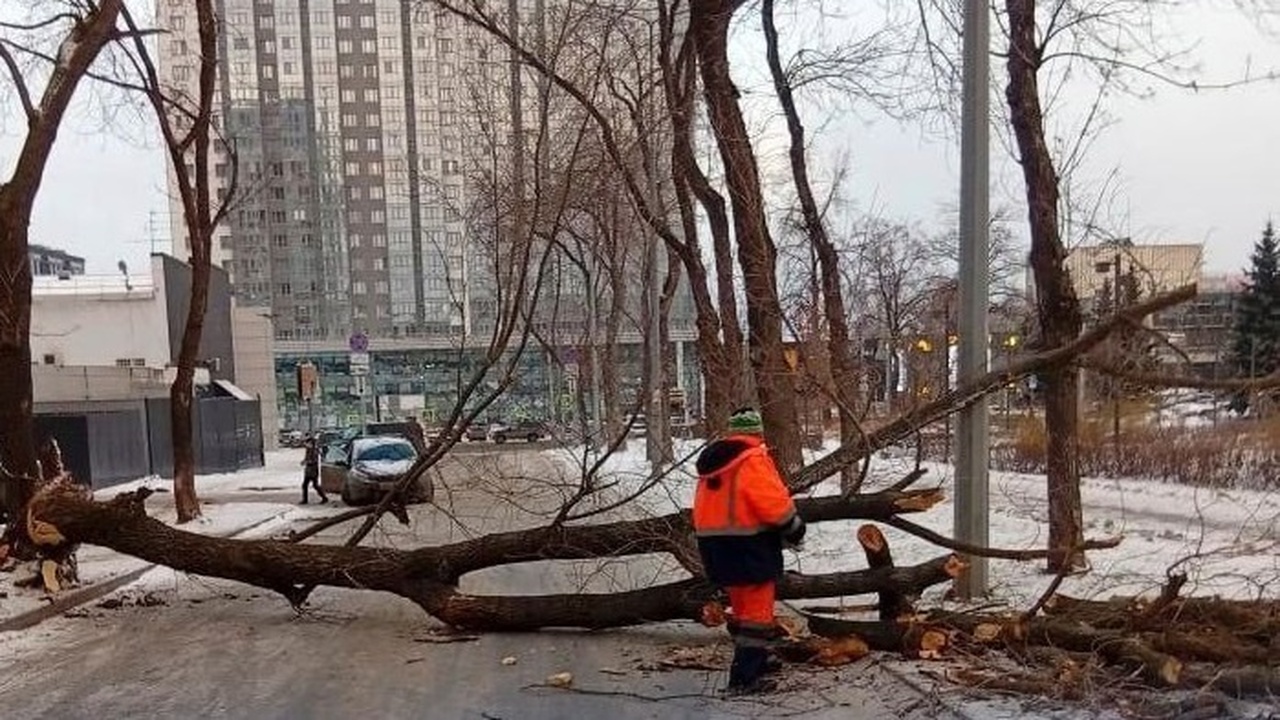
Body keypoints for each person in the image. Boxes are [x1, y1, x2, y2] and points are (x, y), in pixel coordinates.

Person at [693, 407, 806, 695]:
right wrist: (794, 527)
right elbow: (771, 502)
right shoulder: (752, 459)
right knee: (757, 614)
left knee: (743, 609)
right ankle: (745, 677)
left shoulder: (715, 463)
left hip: (715, 546)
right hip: (748, 546)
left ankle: (759, 659)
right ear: (757, 432)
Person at [300, 436, 327, 504]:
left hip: (313, 470)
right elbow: (307, 458)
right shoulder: (308, 450)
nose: (306, 444)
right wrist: (304, 461)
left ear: (311, 443)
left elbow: (314, 461)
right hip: (309, 470)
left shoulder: (314, 451)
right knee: (307, 485)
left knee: (313, 485)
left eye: (307, 443)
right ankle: (305, 500)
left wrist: (306, 462)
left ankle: (324, 498)